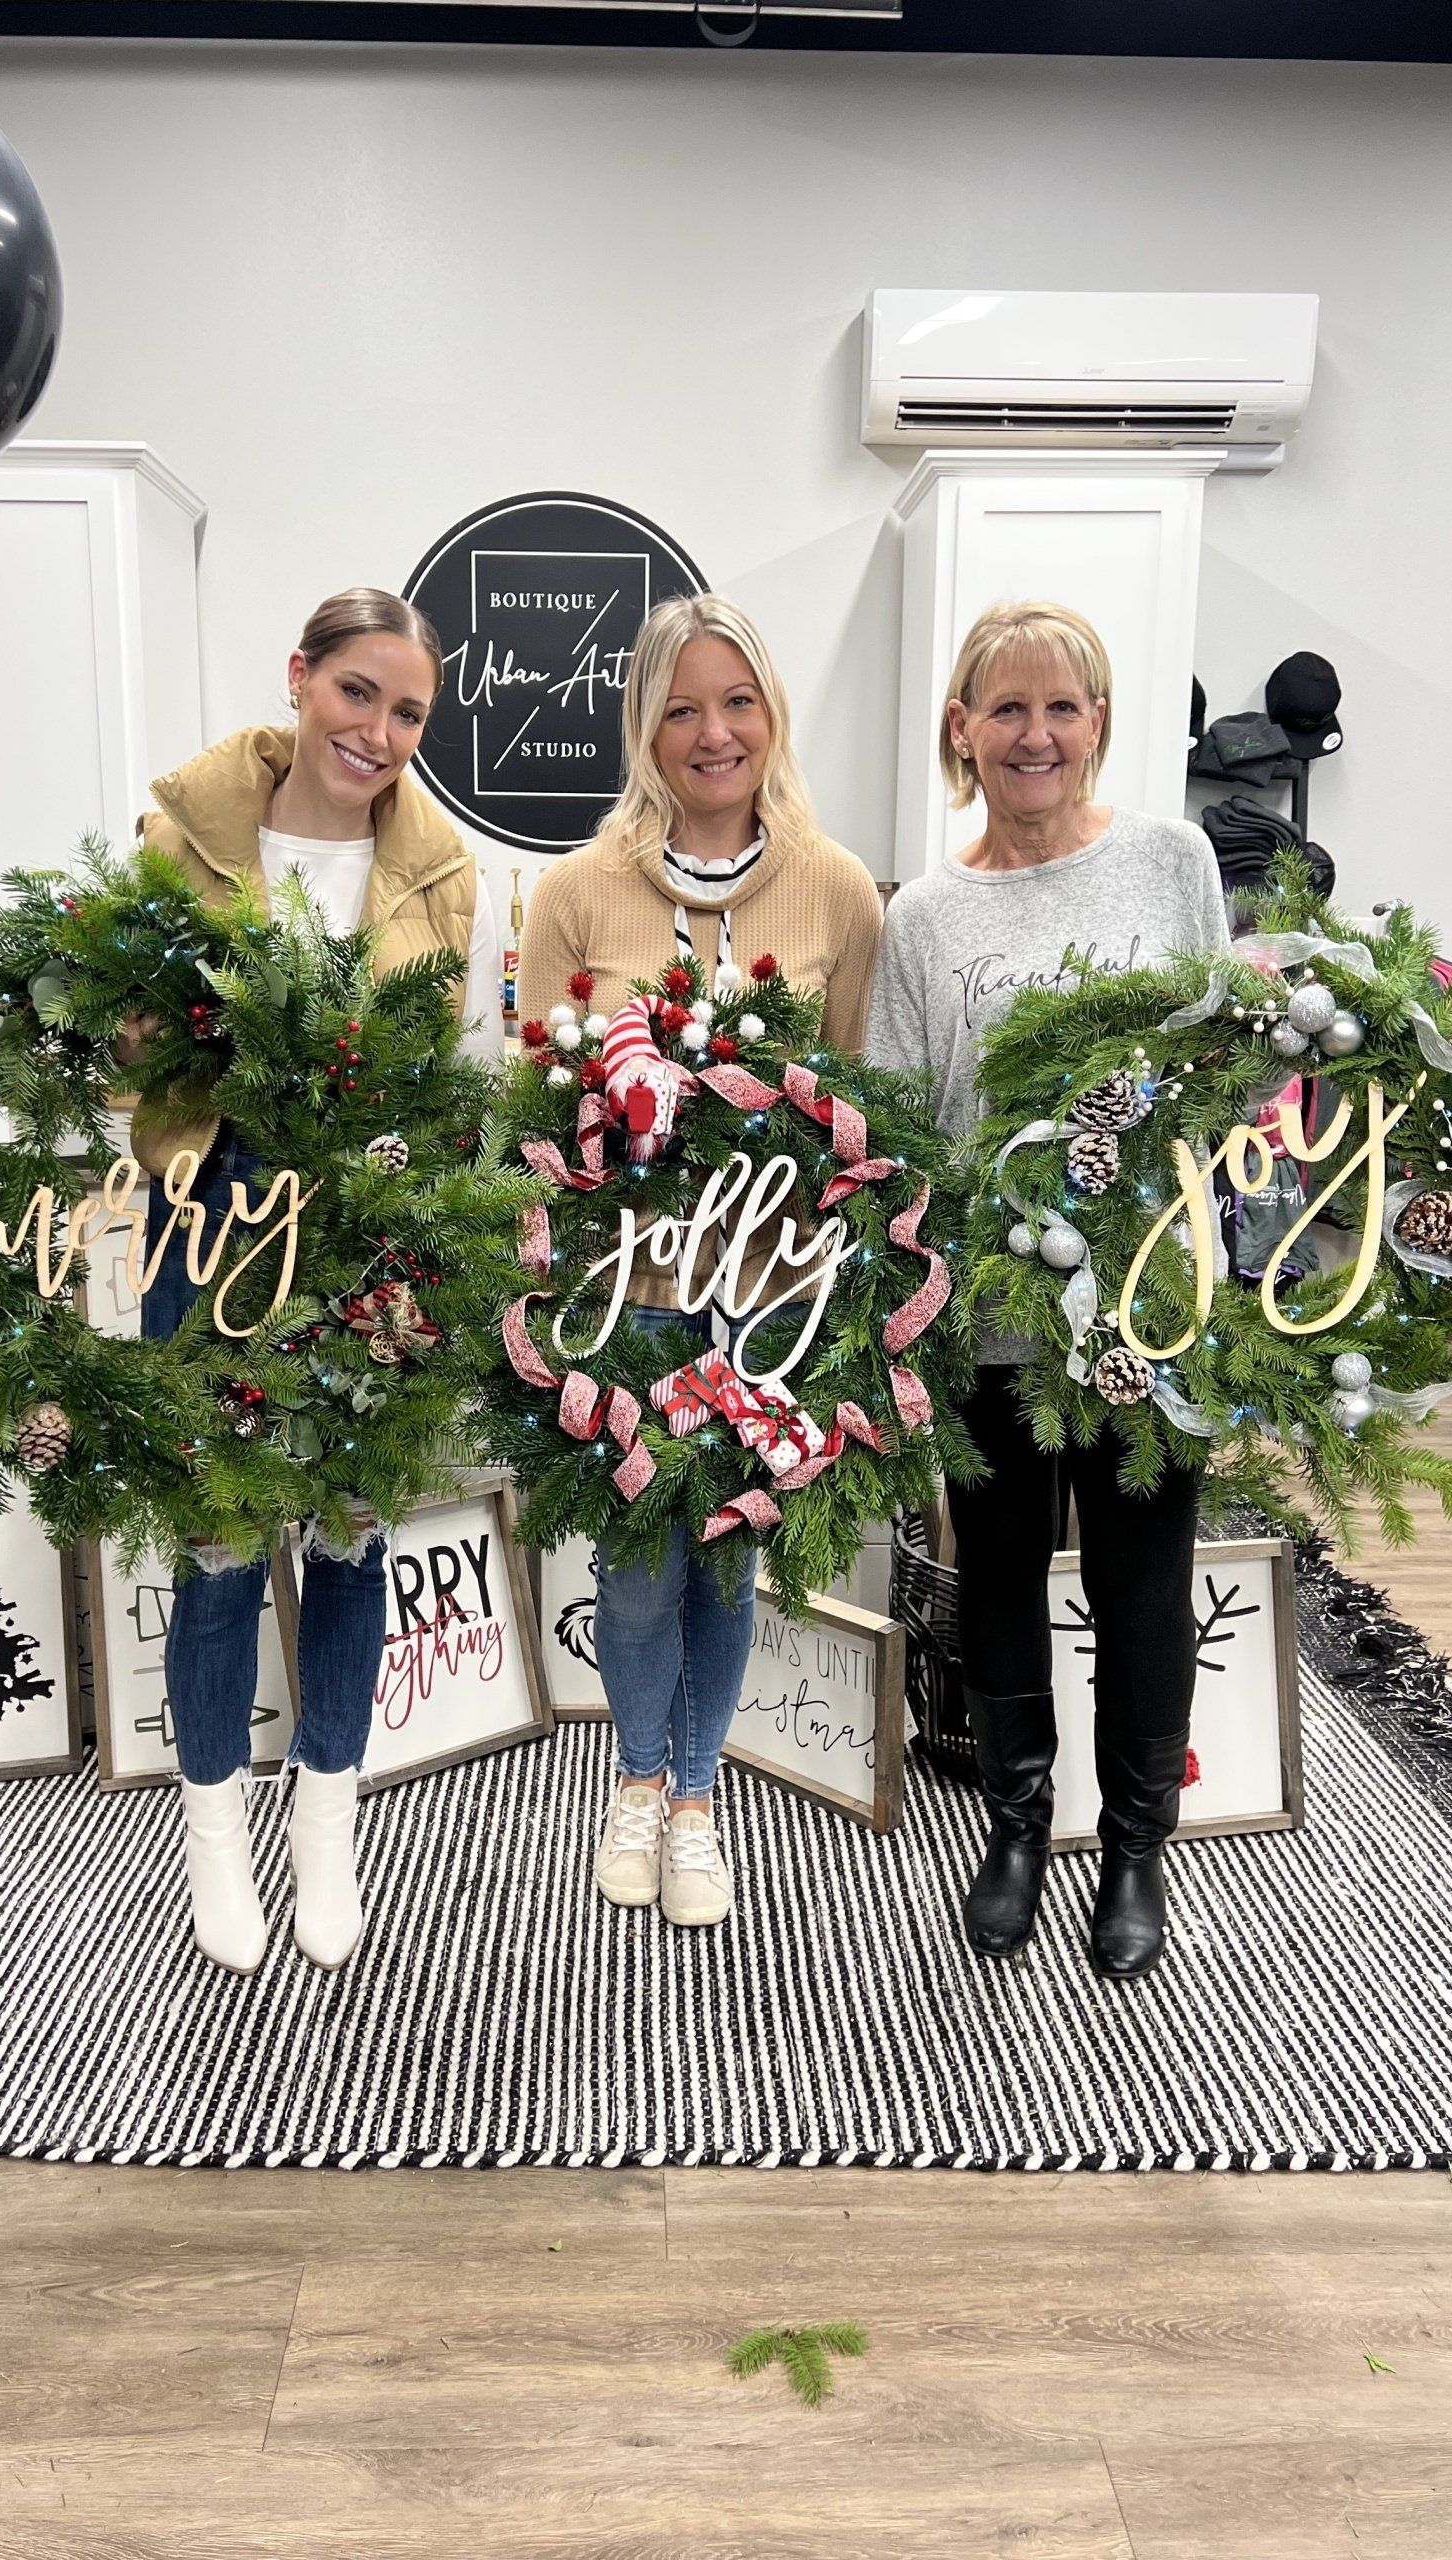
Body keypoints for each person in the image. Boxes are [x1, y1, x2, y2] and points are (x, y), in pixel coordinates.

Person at [120, 585, 503, 1975]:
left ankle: (325, 1828)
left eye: (409, 713)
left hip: (364, 1226)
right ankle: (213, 1841)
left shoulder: (443, 873)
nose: (378, 732)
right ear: (300, 677)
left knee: (351, 1539)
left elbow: (459, 1072)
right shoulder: (183, 837)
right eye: (358, 693)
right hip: (207, 1218)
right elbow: (124, 1044)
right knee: (219, 1545)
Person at [867, 601, 1229, 1980]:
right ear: (961, 729)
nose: (1035, 736)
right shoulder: (925, 916)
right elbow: (900, 1120)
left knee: (1144, 1585)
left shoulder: (1171, 861)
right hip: (992, 1316)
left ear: (1100, 723)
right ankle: (1017, 1826)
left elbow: (1227, 1066)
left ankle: (1135, 1851)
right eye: (1007, 709)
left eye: (1061, 707)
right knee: (1001, 1574)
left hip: (1148, 1310)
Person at [519, 593, 883, 1929]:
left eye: (737, 702)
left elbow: (858, 1108)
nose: (713, 732)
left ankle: (695, 1800)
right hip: (627, 1298)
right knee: (634, 1568)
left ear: (771, 715)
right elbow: (532, 1113)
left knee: (728, 1558)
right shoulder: (575, 893)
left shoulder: (838, 887)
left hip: (773, 1299)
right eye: (682, 709)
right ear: (645, 728)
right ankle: (631, 1775)